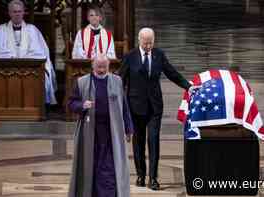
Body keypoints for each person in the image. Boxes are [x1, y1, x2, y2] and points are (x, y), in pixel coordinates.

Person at [119, 27, 192, 190]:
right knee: (138, 142)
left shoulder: (159, 55)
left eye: (150, 43)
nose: (148, 46)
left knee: (153, 141)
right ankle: (140, 175)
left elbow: (171, 73)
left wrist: (188, 86)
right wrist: (115, 99)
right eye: (145, 43)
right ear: (139, 40)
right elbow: (120, 80)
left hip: (154, 107)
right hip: (135, 106)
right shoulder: (130, 57)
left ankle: (153, 178)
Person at [67, 55, 133, 197]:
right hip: (90, 133)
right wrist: (82, 105)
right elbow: (71, 103)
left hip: (111, 132)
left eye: (105, 67)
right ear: (92, 66)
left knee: (109, 167)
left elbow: (124, 107)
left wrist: (128, 128)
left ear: (109, 66)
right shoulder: (82, 82)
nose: (102, 70)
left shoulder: (117, 81)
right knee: (92, 165)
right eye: (99, 67)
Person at [0, 0, 57, 105]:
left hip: (30, 68)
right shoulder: (1, 30)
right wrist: (12, 58)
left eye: (19, 11)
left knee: (43, 78)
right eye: (14, 12)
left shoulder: (32, 30)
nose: (17, 14)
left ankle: (34, 107)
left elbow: (39, 52)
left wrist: (24, 59)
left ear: (24, 12)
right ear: (9, 13)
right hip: (6, 68)